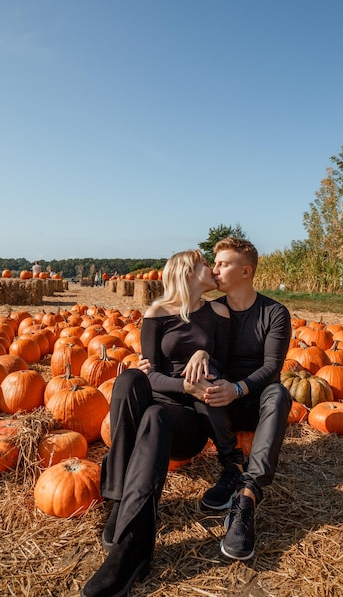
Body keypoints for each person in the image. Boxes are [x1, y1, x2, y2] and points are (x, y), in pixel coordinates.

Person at [80, 249, 242, 597]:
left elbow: (223, 371)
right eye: (204, 263)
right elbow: (150, 378)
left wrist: (205, 354)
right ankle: (123, 504)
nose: (212, 269)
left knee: (158, 415)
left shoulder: (218, 312)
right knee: (127, 379)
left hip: (189, 421)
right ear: (187, 271)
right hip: (158, 403)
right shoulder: (156, 314)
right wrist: (181, 383)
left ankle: (130, 545)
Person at [188, 237, 292, 561]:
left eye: (223, 263)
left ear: (246, 271)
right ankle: (231, 467)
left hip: (256, 399)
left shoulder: (274, 313)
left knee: (280, 394)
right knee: (202, 378)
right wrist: (202, 351)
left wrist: (238, 388)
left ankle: (247, 498)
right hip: (222, 402)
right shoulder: (213, 310)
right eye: (214, 263)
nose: (214, 269)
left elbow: (273, 368)